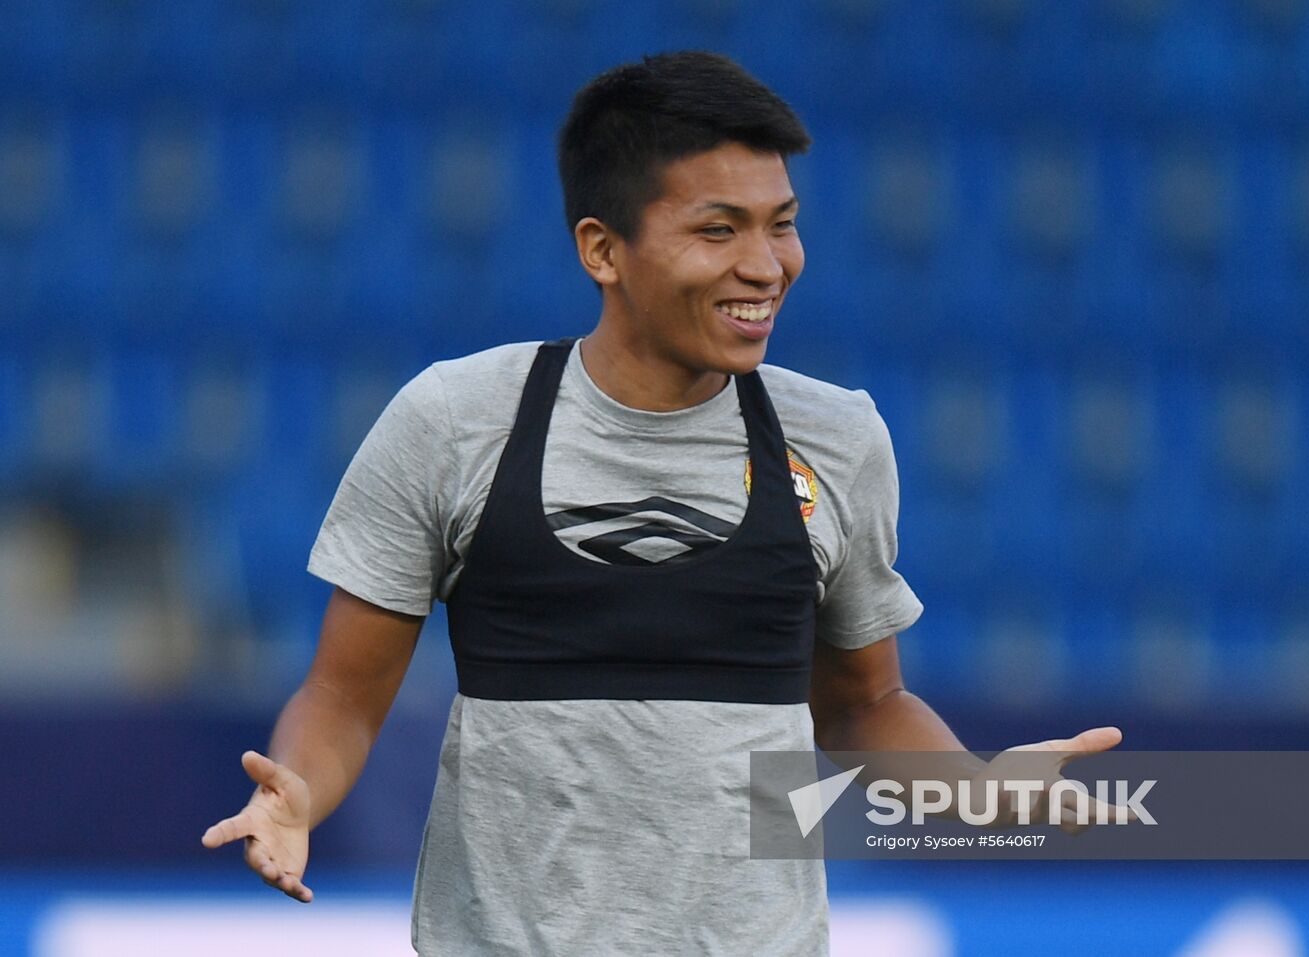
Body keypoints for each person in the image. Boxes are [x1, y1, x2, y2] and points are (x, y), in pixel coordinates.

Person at [203, 50, 1127, 955]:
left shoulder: (838, 439)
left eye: (783, 224)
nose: (767, 266)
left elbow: (862, 703)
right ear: (603, 249)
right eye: (719, 230)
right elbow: (343, 695)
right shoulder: (455, 421)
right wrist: (298, 793)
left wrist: (973, 786)